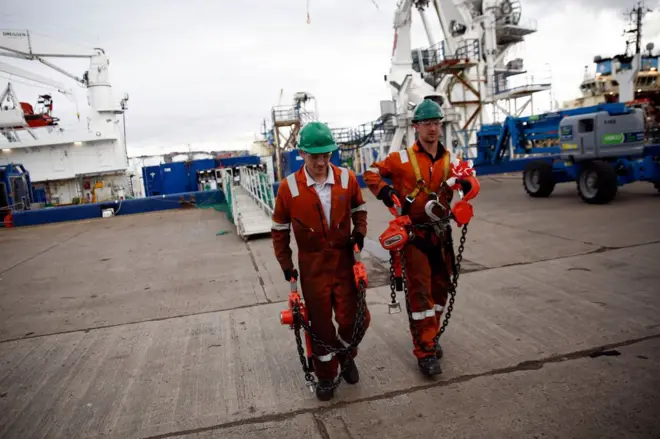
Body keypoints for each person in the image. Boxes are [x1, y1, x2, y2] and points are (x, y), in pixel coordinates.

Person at [363, 98, 478, 377]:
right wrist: (386, 193)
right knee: (420, 295)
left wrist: (466, 185)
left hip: (441, 235)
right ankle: (425, 351)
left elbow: (473, 181)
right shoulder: (401, 160)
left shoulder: (452, 161)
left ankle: (431, 335)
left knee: (440, 290)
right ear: (416, 127)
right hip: (415, 237)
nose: (432, 129)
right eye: (427, 123)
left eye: (436, 123)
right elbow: (371, 173)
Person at [271, 121, 371, 401]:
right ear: (302, 153)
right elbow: (279, 232)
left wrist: (359, 234)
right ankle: (326, 377)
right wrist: (286, 265)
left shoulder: (346, 179)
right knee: (321, 327)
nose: (320, 161)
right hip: (312, 267)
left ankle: (347, 356)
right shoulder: (288, 188)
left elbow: (359, 210)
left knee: (353, 320)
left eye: (326, 155)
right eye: (314, 156)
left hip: (343, 262)